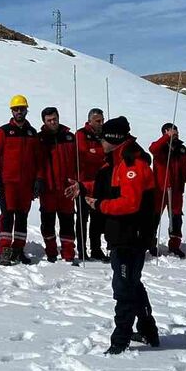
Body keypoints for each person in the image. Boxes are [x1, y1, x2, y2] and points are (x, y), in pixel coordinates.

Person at [85, 117, 159, 354]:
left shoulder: (131, 165)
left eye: (103, 138)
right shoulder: (116, 163)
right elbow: (108, 187)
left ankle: (120, 342)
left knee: (124, 288)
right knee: (132, 284)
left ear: (114, 140)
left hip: (131, 238)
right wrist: (82, 187)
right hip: (121, 236)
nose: (100, 142)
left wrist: (100, 205)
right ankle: (148, 331)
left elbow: (129, 203)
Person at [0, 94, 42, 266]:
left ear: (26, 110)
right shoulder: (3, 131)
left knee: (22, 216)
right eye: (16, 109)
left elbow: (38, 159)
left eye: (22, 108)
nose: (19, 111)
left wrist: (38, 180)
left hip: (26, 183)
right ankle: (5, 249)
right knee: (7, 215)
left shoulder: (32, 133)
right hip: (8, 182)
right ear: (12, 111)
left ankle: (18, 249)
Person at [39, 107, 79, 263]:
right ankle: (51, 251)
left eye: (54, 119)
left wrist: (77, 181)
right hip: (48, 188)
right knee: (47, 222)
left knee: (68, 222)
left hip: (67, 188)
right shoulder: (39, 139)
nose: (52, 122)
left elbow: (77, 161)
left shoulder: (69, 137)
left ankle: (68, 253)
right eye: (49, 120)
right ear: (44, 121)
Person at [150, 122, 186, 258]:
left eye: (177, 132)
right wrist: (166, 138)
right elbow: (153, 149)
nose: (176, 134)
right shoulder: (160, 147)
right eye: (172, 132)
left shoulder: (181, 149)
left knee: (176, 218)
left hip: (176, 190)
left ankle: (174, 245)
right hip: (160, 189)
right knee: (154, 217)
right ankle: (150, 243)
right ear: (165, 132)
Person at [75, 108, 108, 262]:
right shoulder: (81, 134)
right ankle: (81, 250)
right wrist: (100, 154)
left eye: (102, 120)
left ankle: (96, 248)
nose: (101, 123)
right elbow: (83, 155)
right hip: (83, 183)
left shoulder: (104, 135)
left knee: (98, 218)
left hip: (100, 184)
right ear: (90, 121)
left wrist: (96, 152)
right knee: (82, 218)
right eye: (98, 121)